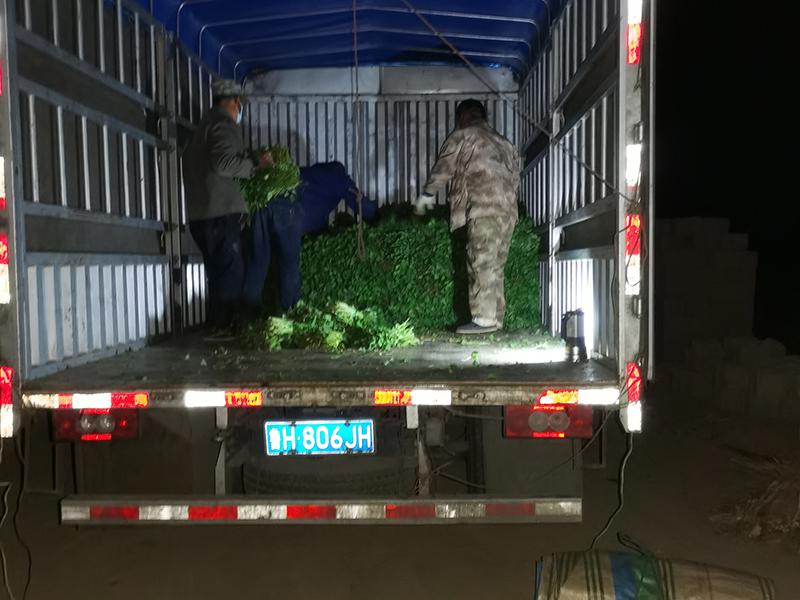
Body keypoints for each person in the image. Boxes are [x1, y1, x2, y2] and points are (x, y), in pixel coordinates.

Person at [416, 99, 520, 335]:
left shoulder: (464, 135)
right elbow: (515, 178)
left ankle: (483, 319)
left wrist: (428, 193)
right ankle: (496, 318)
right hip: (508, 212)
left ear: (463, 116)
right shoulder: (504, 143)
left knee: (481, 261)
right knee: (496, 266)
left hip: (484, 208)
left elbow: (445, 166)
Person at [182, 79, 271, 337]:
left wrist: (250, 156)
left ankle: (217, 326)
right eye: (239, 103)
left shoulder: (203, 128)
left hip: (201, 216)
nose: (240, 108)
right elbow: (223, 164)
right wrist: (255, 166)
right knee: (231, 273)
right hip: (219, 215)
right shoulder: (222, 124)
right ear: (234, 102)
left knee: (219, 273)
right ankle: (225, 330)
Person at [242, 161, 377, 314]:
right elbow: (361, 204)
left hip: (264, 205)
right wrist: (378, 215)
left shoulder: (309, 172)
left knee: (258, 259)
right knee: (289, 264)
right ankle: (291, 311)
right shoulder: (339, 179)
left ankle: (247, 312)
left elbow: (315, 206)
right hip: (287, 212)